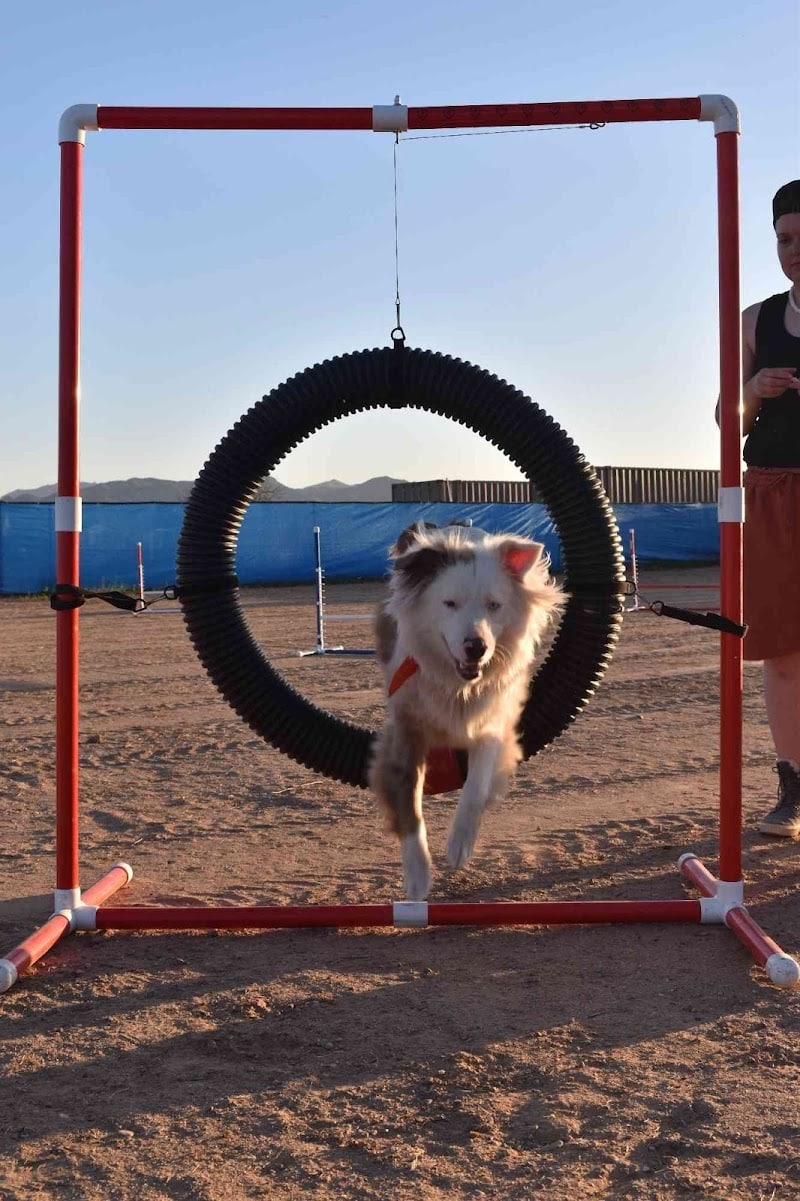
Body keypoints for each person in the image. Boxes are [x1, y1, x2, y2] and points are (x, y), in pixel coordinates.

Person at [723, 180, 800, 836]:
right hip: (772, 492)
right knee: (781, 650)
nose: (794, 250)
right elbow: (724, 417)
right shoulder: (757, 321)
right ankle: (792, 788)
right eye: (784, 239)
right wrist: (752, 387)